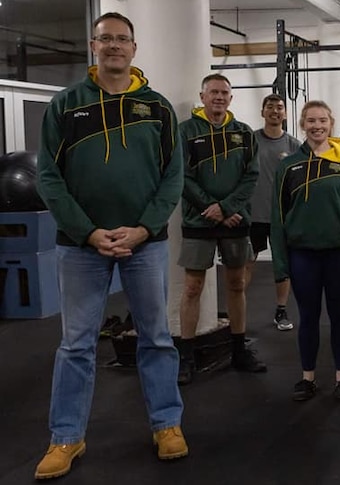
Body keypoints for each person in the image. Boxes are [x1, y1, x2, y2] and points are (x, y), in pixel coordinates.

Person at [34, 12, 187, 479]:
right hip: (81, 247)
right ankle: (66, 438)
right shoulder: (65, 106)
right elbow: (48, 177)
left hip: (146, 243)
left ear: (134, 49)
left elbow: (172, 177)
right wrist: (88, 231)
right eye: (107, 40)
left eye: (123, 40)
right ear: (93, 46)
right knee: (75, 344)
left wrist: (143, 228)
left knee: (157, 339)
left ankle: (167, 425)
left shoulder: (157, 108)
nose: (115, 46)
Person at [270, 100, 340, 401]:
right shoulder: (287, 167)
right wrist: (280, 263)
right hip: (303, 256)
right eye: (311, 121)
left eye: (322, 120)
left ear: (331, 122)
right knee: (308, 317)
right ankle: (307, 377)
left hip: (338, 254)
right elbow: (279, 216)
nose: (317, 126)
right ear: (302, 124)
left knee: (339, 316)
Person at [177, 73, 265, 385]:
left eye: (224, 93)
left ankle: (239, 350)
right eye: (212, 92)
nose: (218, 97)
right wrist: (212, 209)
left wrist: (226, 208)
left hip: (235, 221)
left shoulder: (243, 133)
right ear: (202, 97)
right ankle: (186, 357)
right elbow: (182, 177)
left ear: (231, 98)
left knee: (237, 284)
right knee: (192, 288)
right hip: (198, 220)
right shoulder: (185, 132)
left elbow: (251, 176)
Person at [246, 93, 301, 331]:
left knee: (282, 266)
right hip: (253, 216)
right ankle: (238, 311)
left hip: (282, 218)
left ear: (285, 114)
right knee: (246, 263)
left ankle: (281, 310)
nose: (275, 111)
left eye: (279, 107)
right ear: (262, 112)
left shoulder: (294, 146)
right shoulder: (250, 141)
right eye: (270, 107)